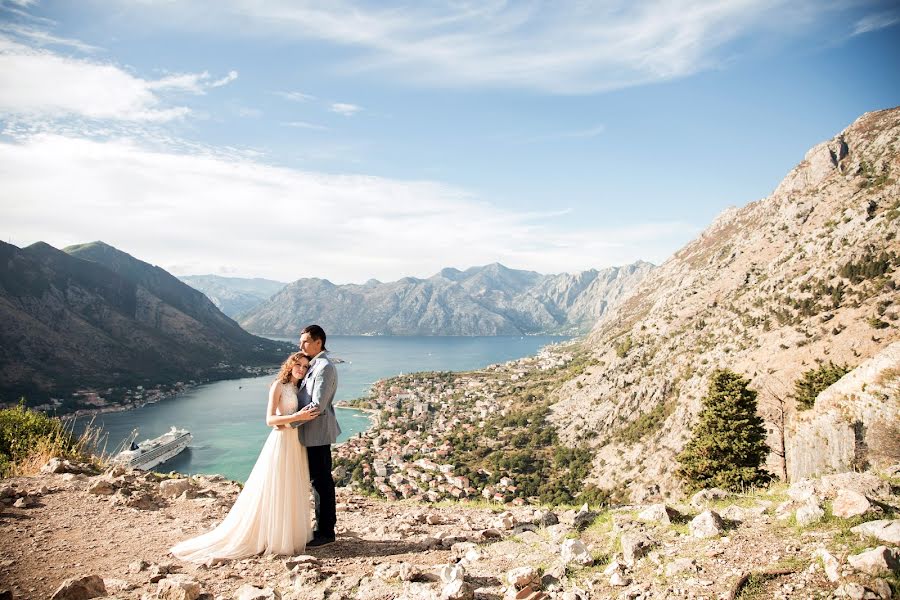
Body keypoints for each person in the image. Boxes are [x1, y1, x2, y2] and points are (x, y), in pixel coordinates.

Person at [170, 353, 320, 563]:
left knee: (291, 486)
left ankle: (287, 534)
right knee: (275, 487)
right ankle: (271, 536)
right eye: (298, 364)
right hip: (281, 441)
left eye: (305, 366)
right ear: (290, 364)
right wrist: (297, 417)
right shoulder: (279, 385)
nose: (302, 369)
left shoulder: (298, 389)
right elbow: (270, 419)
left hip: (296, 442)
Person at [292, 324, 341, 547]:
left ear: (318, 342)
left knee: (321, 482)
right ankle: (322, 527)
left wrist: (289, 422)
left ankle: (326, 532)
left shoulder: (324, 366)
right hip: (310, 431)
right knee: (318, 480)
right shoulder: (314, 364)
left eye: (304, 342)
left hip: (317, 432)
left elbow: (317, 405)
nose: (300, 345)